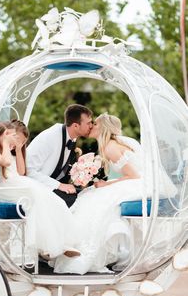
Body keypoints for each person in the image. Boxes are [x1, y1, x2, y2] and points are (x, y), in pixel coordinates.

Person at [53, 113, 177, 274]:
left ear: (103, 128)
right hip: (136, 180)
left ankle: (81, 247)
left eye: (95, 124)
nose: (91, 126)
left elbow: (134, 176)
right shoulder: (109, 145)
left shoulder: (110, 147)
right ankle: (71, 243)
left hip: (140, 183)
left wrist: (106, 184)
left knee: (94, 199)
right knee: (90, 195)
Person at [0, 120, 80, 259]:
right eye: (15, 139)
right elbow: (6, 162)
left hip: (19, 185)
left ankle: (60, 242)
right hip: (5, 188)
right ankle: (44, 245)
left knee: (51, 200)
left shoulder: (12, 153)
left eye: (20, 143)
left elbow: (20, 171)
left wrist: (19, 150)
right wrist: (6, 144)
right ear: (3, 134)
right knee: (37, 194)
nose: (15, 144)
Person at [26, 104, 93, 207]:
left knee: (88, 196)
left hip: (52, 187)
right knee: (81, 204)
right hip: (37, 189)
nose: (91, 126)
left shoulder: (72, 137)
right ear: (75, 125)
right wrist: (59, 185)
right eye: (88, 123)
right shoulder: (49, 138)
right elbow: (28, 171)